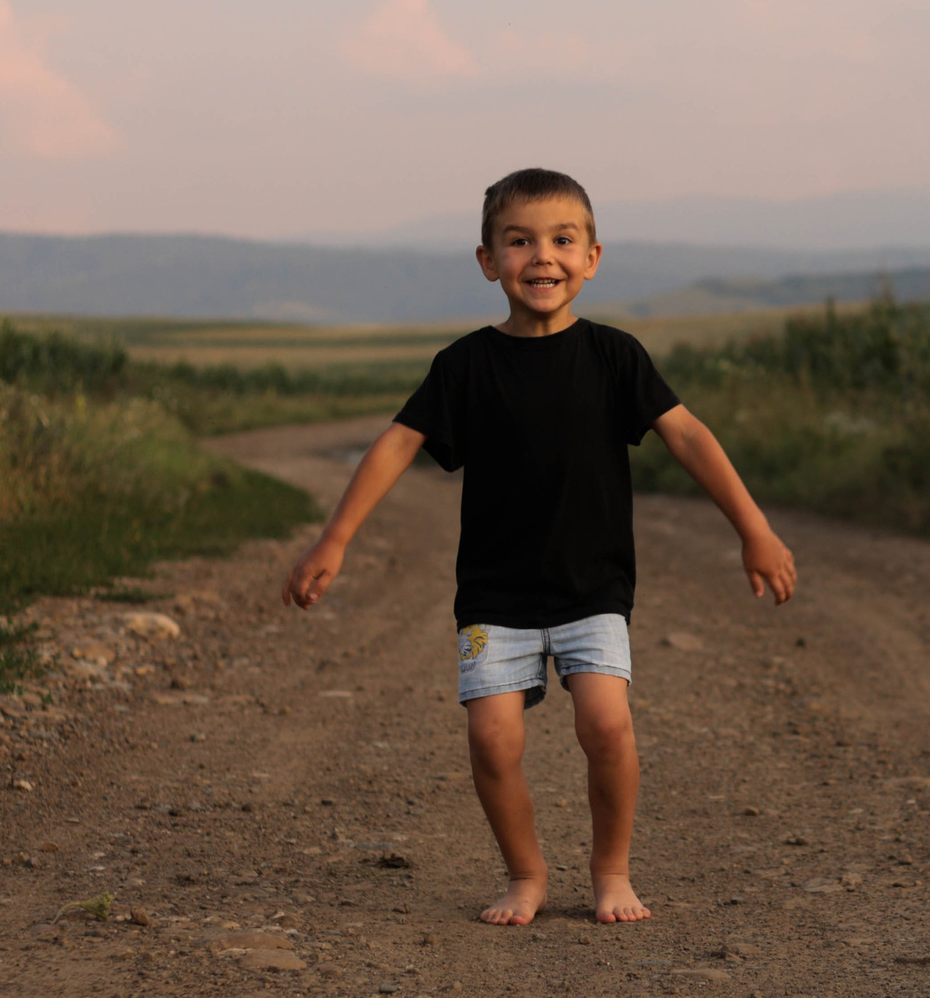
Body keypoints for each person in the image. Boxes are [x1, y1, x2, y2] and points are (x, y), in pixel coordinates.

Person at [280, 168, 797, 925]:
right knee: (492, 739)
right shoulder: (465, 366)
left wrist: (754, 529)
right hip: (496, 591)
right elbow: (397, 444)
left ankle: (611, 871)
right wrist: (335, 539)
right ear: (489, 260)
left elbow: (686, 434)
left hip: (592, 586)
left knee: (607, 724)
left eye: (562, 240)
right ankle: (526, 875)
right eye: (519, 241)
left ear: (592, 257)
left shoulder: (616, 358)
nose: (542, 257)